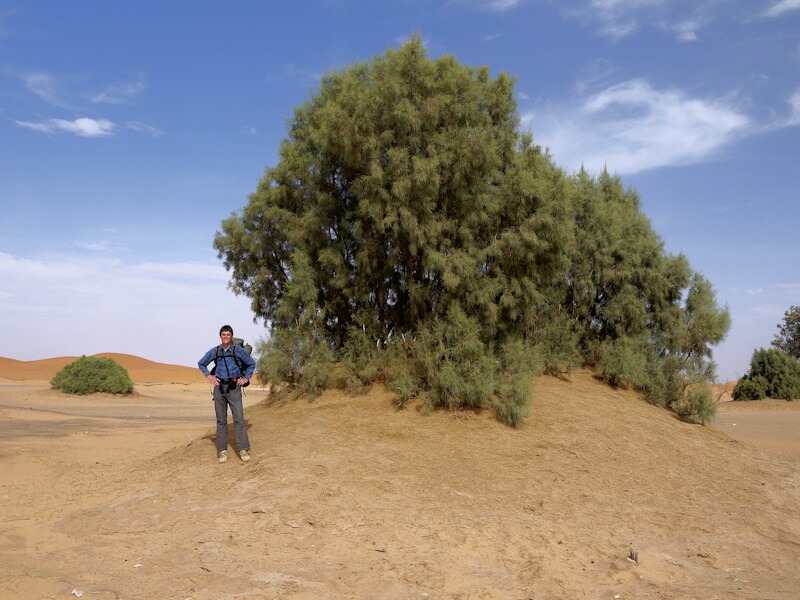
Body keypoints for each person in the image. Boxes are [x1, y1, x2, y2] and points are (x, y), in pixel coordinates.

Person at [198, 325, 256, 464]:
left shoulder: (238, 351)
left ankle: (243, 450)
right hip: (219, 388)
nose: (225, 337)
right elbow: (201, 363)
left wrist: (246, 378)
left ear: (231, 336)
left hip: (234, 387)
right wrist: (209, 377)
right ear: (220, 336)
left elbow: (251, 364)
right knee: (221, 420)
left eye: (228, 335)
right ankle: (222, 451)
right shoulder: (215, 351)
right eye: (223, 334)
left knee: (239, 419)